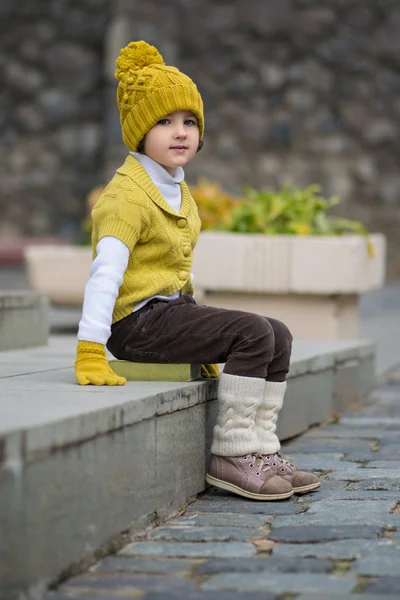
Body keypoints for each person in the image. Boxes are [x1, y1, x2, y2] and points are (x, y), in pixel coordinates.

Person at [75, 40, 320, 501]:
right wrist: (90, 348)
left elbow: (178, 274)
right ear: (139, 131)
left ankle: (261, 449)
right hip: (134, 325)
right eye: (164, 122)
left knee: (278, 333)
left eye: (189, 121)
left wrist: (202, 336)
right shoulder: (126, 197)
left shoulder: (176, 189)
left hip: (167, 316)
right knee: (252, 333)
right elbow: (105, 275)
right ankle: (231, 455)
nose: (180, 131)